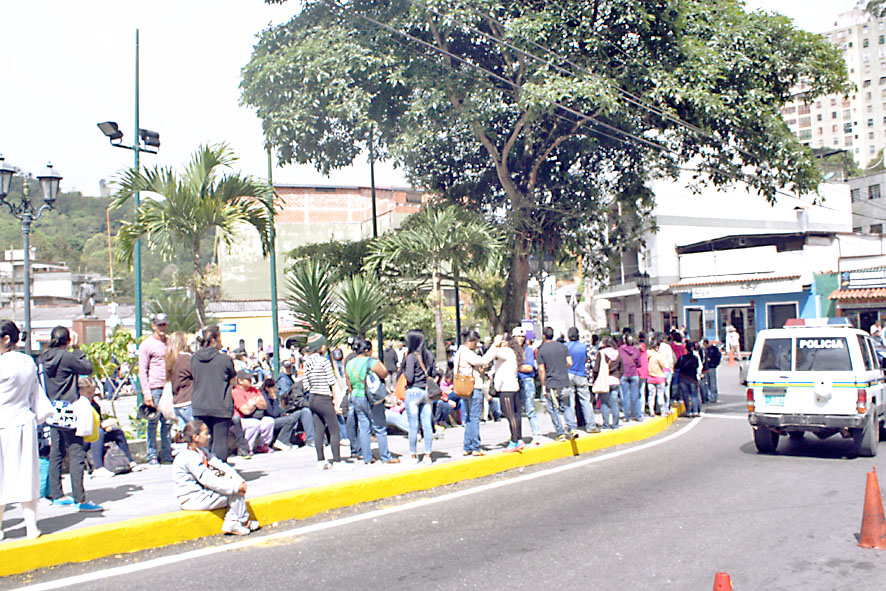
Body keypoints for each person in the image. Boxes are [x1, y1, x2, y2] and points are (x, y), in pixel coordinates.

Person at [0, 320, 49, 539]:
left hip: (3, 424)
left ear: (6, 339)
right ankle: (31, 526)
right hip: (25, 421)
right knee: (27, 475)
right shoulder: (28, 361)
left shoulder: (2, 364)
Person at [40, 325, 97, 509]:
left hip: (52, 408)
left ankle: (57, 494)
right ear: (67, 340)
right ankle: (80, 498)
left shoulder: (44, 357)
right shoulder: (66, 356)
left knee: (56, 451)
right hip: (68, 408)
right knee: (76, 451)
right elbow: (87, 368)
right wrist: (78, 349)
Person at [172, 420, 259, 536]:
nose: (208, 436)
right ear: (196, 437)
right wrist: (234, 487)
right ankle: (237, 522)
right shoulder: (188, 456)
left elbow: (218, 464)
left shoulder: (200, 451)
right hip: (192, 498)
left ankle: (241, 521)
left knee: (234, 486)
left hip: (201, 494)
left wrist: (237, 478)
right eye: (205, 433)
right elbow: (207, 479)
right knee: (235, 492)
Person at [345, 339, 399, 465]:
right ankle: (386, 457)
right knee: (379, 427)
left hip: (356, 396)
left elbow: (349, 384)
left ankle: (367, 458)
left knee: (364, 428)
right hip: (370, 397)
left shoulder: (349, 364)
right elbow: (384, 373)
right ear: (366, 350)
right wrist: (378, 361)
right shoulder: (371, 362)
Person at [191, 325, 237, 463]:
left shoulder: (193, 359)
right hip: (221, 405)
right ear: (214, 340)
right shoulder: (225, 360)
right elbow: (233, 380)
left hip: (200, 405)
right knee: (220, 441)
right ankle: (220, 469)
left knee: (204, 441)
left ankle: (204, 469)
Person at [304, 333, 348, 471]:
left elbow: (305, 384)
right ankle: (337, 461)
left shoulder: (307, 362)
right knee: (334, 429)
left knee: (319, 430)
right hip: (324, 397)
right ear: (321, 347)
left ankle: (321, 460)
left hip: (312, 398)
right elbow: (331, 381)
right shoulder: (324, 361)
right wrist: (336, 400)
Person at [81, 378, 137, 478]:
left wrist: (106, 425)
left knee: (117, 432)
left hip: (95, 431)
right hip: (83, 437)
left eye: (93, 392)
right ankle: (98, 467)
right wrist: (101, 426)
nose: (91, 395)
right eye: (88, 393)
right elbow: (84, 425)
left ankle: (129, 460)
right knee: (99, 432)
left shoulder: (94, 404)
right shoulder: (79, 404)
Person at [138, 313, 172, 465]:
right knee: (153, 422)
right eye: (159, 325)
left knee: (168, 422)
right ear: (154, 326)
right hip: (155, 388)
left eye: (164, 324)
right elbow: (142, 370)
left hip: (168, 386)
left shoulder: (170, 342)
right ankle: (151, 454)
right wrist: (147, 393)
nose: (162, 328)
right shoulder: (147, 345)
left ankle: (166, 454)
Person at [453, 330, 494, 456]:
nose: (476, 345)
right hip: (473, 387)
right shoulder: (467, 353)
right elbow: (484, 360)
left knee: (470, 417)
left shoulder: (459, 352)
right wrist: (494, 347)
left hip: (463, 387)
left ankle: (467, 446)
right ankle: (476, 446)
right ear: (470, 341)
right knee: (475, 418)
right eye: (475, 343)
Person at [402, 329, 438, 464]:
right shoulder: (429, 354)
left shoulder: (411, 356)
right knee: (427, 425)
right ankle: (428, 456)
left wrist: (404, 370)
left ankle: (413, 456)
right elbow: (434, 373)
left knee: (413, 426)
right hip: (427, 392)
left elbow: (409, 377)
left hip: (413, 392)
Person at [487, 333, 527, 452]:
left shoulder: (506, 352)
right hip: (513, 386)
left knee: (509, 414)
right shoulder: (511, 353)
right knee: (515, 414)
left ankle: (514, 441)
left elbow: (489, 355)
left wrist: (495, 343)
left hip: (507, 388)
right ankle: (518, 438)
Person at [537, 326, 577, 441]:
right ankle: (572, 428)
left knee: (553, 409)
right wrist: (562, 368)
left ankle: (561, 432)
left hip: (551, 383)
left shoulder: (541, 350)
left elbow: (541, 369)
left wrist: (543, 385)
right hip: (564, 381)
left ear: (544, 336)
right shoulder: (562, 347)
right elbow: (570, 362)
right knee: (567, 406)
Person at [565, 327, 600, 433]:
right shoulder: (584, 347)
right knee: (585, 401)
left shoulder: (565, 347)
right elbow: (589, 360)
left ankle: (571, 427)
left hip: (569, 373)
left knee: (570, 402)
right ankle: (590, 425)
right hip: (581, 374)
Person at [231, 372, 275, 454]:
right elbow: (245, 411)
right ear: (240, 381)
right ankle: (247, 448)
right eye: (247, 379)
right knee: (254, 424)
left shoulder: (254, 390)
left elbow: (264, 405)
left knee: (269, 421)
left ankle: (262, 446)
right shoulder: (236, 392)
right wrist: (255, 403)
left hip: (255, 416)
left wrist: (252, 404)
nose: (250, 380)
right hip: (241, 419)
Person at [512, 327, 542, 444]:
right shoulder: (511, 351)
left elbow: (529, 368)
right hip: (515, 381)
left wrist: (515, 367)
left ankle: (536, 435)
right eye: (517, 336)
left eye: (522, 336)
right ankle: (517, 436)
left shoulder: (528, 350)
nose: (520, 339)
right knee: (516, 411)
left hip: (527, 381)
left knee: (529, 409)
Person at [592, 337, 623, 429]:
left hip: (605, 381)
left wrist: (595, 379)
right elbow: (622, 369)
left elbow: (596, 369)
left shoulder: (601, 354)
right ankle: (616, 424)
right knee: (614, 403)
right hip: (615, 381)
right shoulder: (617, 353)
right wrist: (617, 376)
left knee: (604, 403)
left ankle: (606, 424)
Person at [166, 331, 194, 431]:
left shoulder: (170, 360)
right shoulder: (186, 358)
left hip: (177, 402)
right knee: (197, 433)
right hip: (188, 401)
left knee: (185, 435)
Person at [618, 334, 642, 422]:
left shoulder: (620, 350)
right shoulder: (636, 350)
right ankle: (638, 415)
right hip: (634, 374)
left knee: (625, 396)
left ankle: (627, 416)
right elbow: (639, 363)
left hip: (624, 374)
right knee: (635, 396)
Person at [675, 341, 702, 417]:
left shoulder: (682, 358)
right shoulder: (695, 358)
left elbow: (677, 366)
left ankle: (688, 411)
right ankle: (695, 411)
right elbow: (697, 367)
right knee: (694, 395)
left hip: (683, 378)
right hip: (692, 378)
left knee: (686, 395)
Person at [646, 335, 668, 417]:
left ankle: (651, 411)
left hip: (650, 377)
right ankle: (662, 411)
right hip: (659, 377)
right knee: (660, 395)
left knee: (651, 395)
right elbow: (665, 366)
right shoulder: (658, 356)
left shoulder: (646, 355)